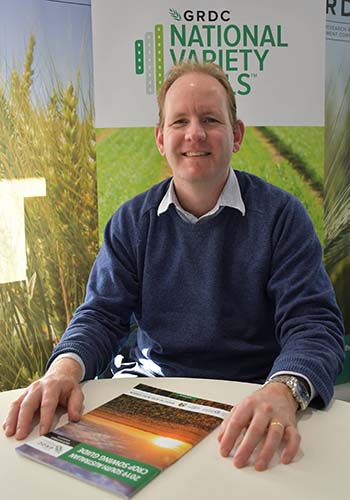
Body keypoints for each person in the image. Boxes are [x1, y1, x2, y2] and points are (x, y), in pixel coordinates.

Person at [3, 62, 345, 472]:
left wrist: (284, 391)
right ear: (161, 138)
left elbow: (313, 324)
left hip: (250, 398)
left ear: (236, 135)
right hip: (148, 396)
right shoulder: (131, 221)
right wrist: (63, 369)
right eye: (179, 120)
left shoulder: (281, 217)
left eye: (210, 119)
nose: (194, 133)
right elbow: (100, 315)